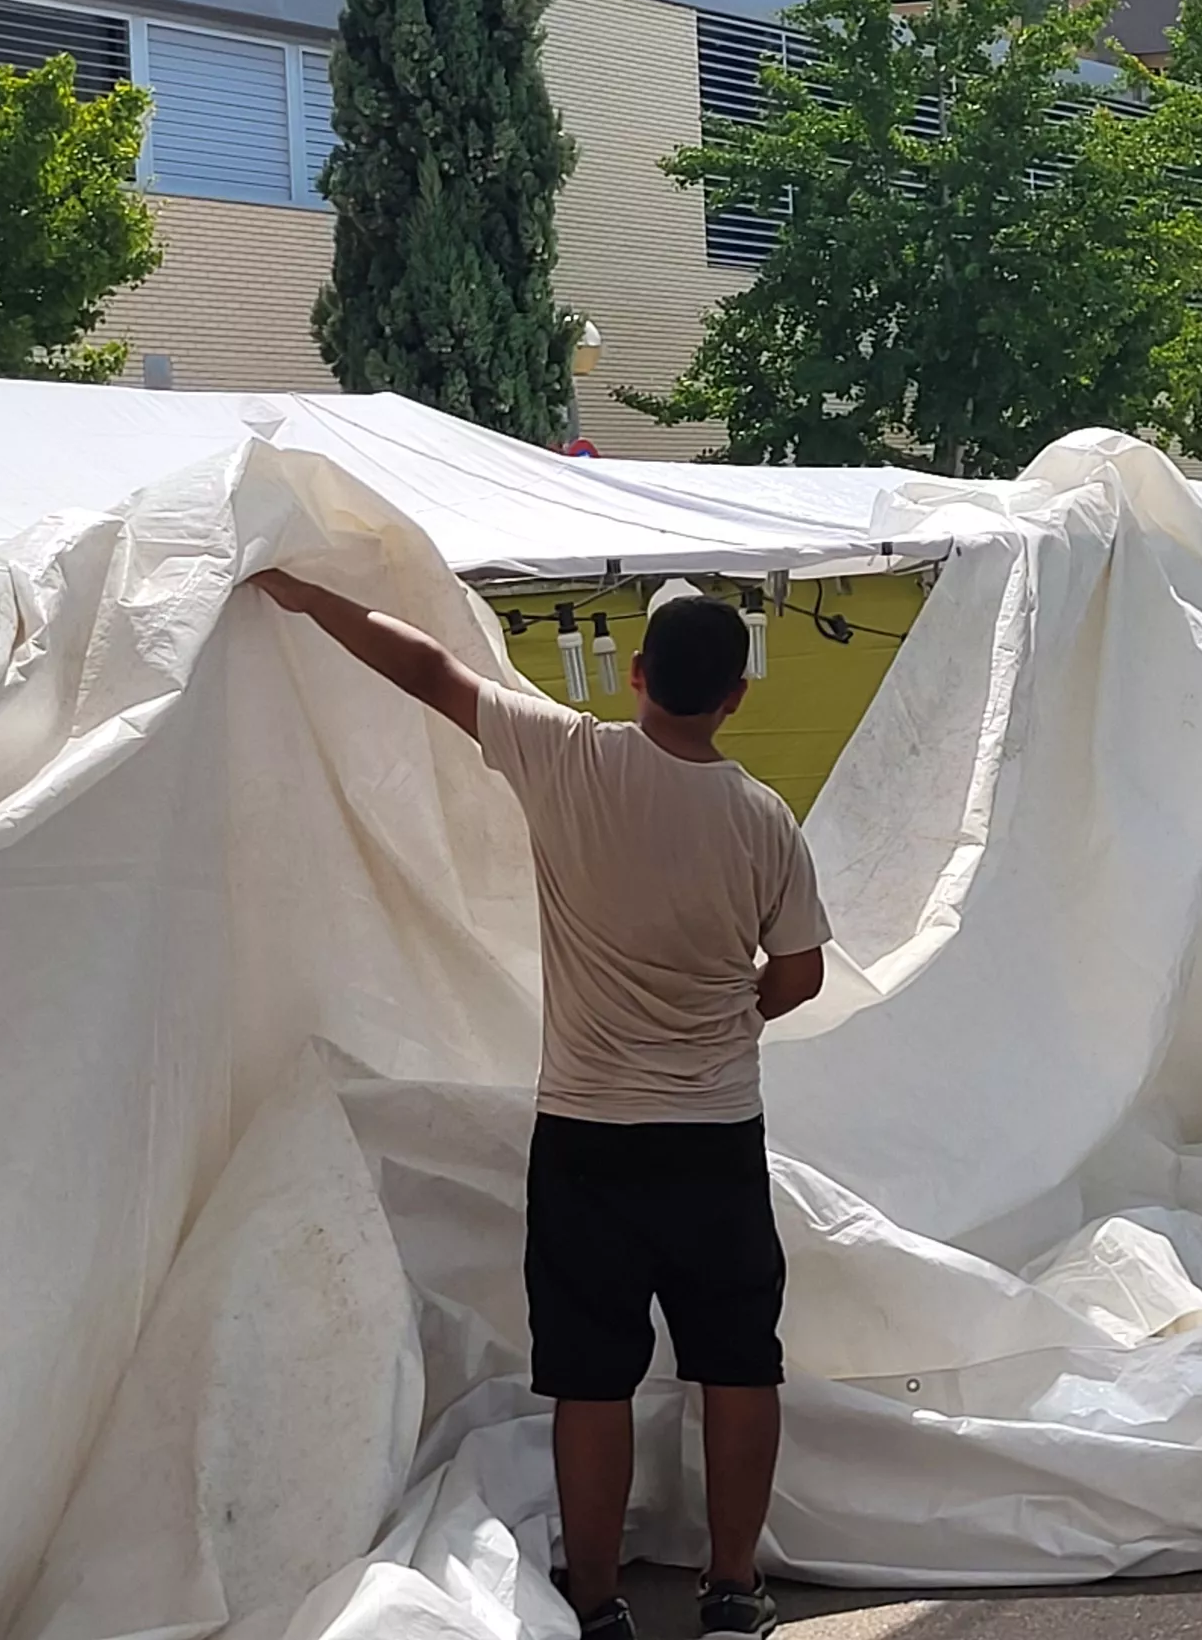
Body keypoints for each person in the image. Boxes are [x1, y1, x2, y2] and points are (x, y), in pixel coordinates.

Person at [254, 573, 826, 1640]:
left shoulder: (568, 756)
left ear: (640, 676)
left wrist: (302, 594)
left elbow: (426, 666)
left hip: (587, 1141)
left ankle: (600, 1601)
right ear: (736, 696)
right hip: (713, 1142)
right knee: (741, 1361)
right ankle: (734, 1588)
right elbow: (798, 977)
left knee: (591, 1380)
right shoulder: (763, 822)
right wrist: (733, 1003)